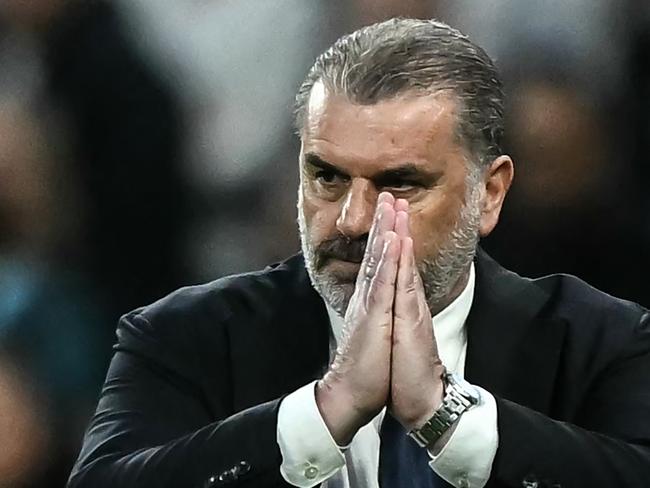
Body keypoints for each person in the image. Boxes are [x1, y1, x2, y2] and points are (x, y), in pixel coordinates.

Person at [68, 18, 650, 488]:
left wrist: (445, 418)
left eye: (399, 185)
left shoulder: (602, 343)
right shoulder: (182, 337)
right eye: (325, 177)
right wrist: (326, 409)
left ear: (489, 193)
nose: (351, 219)